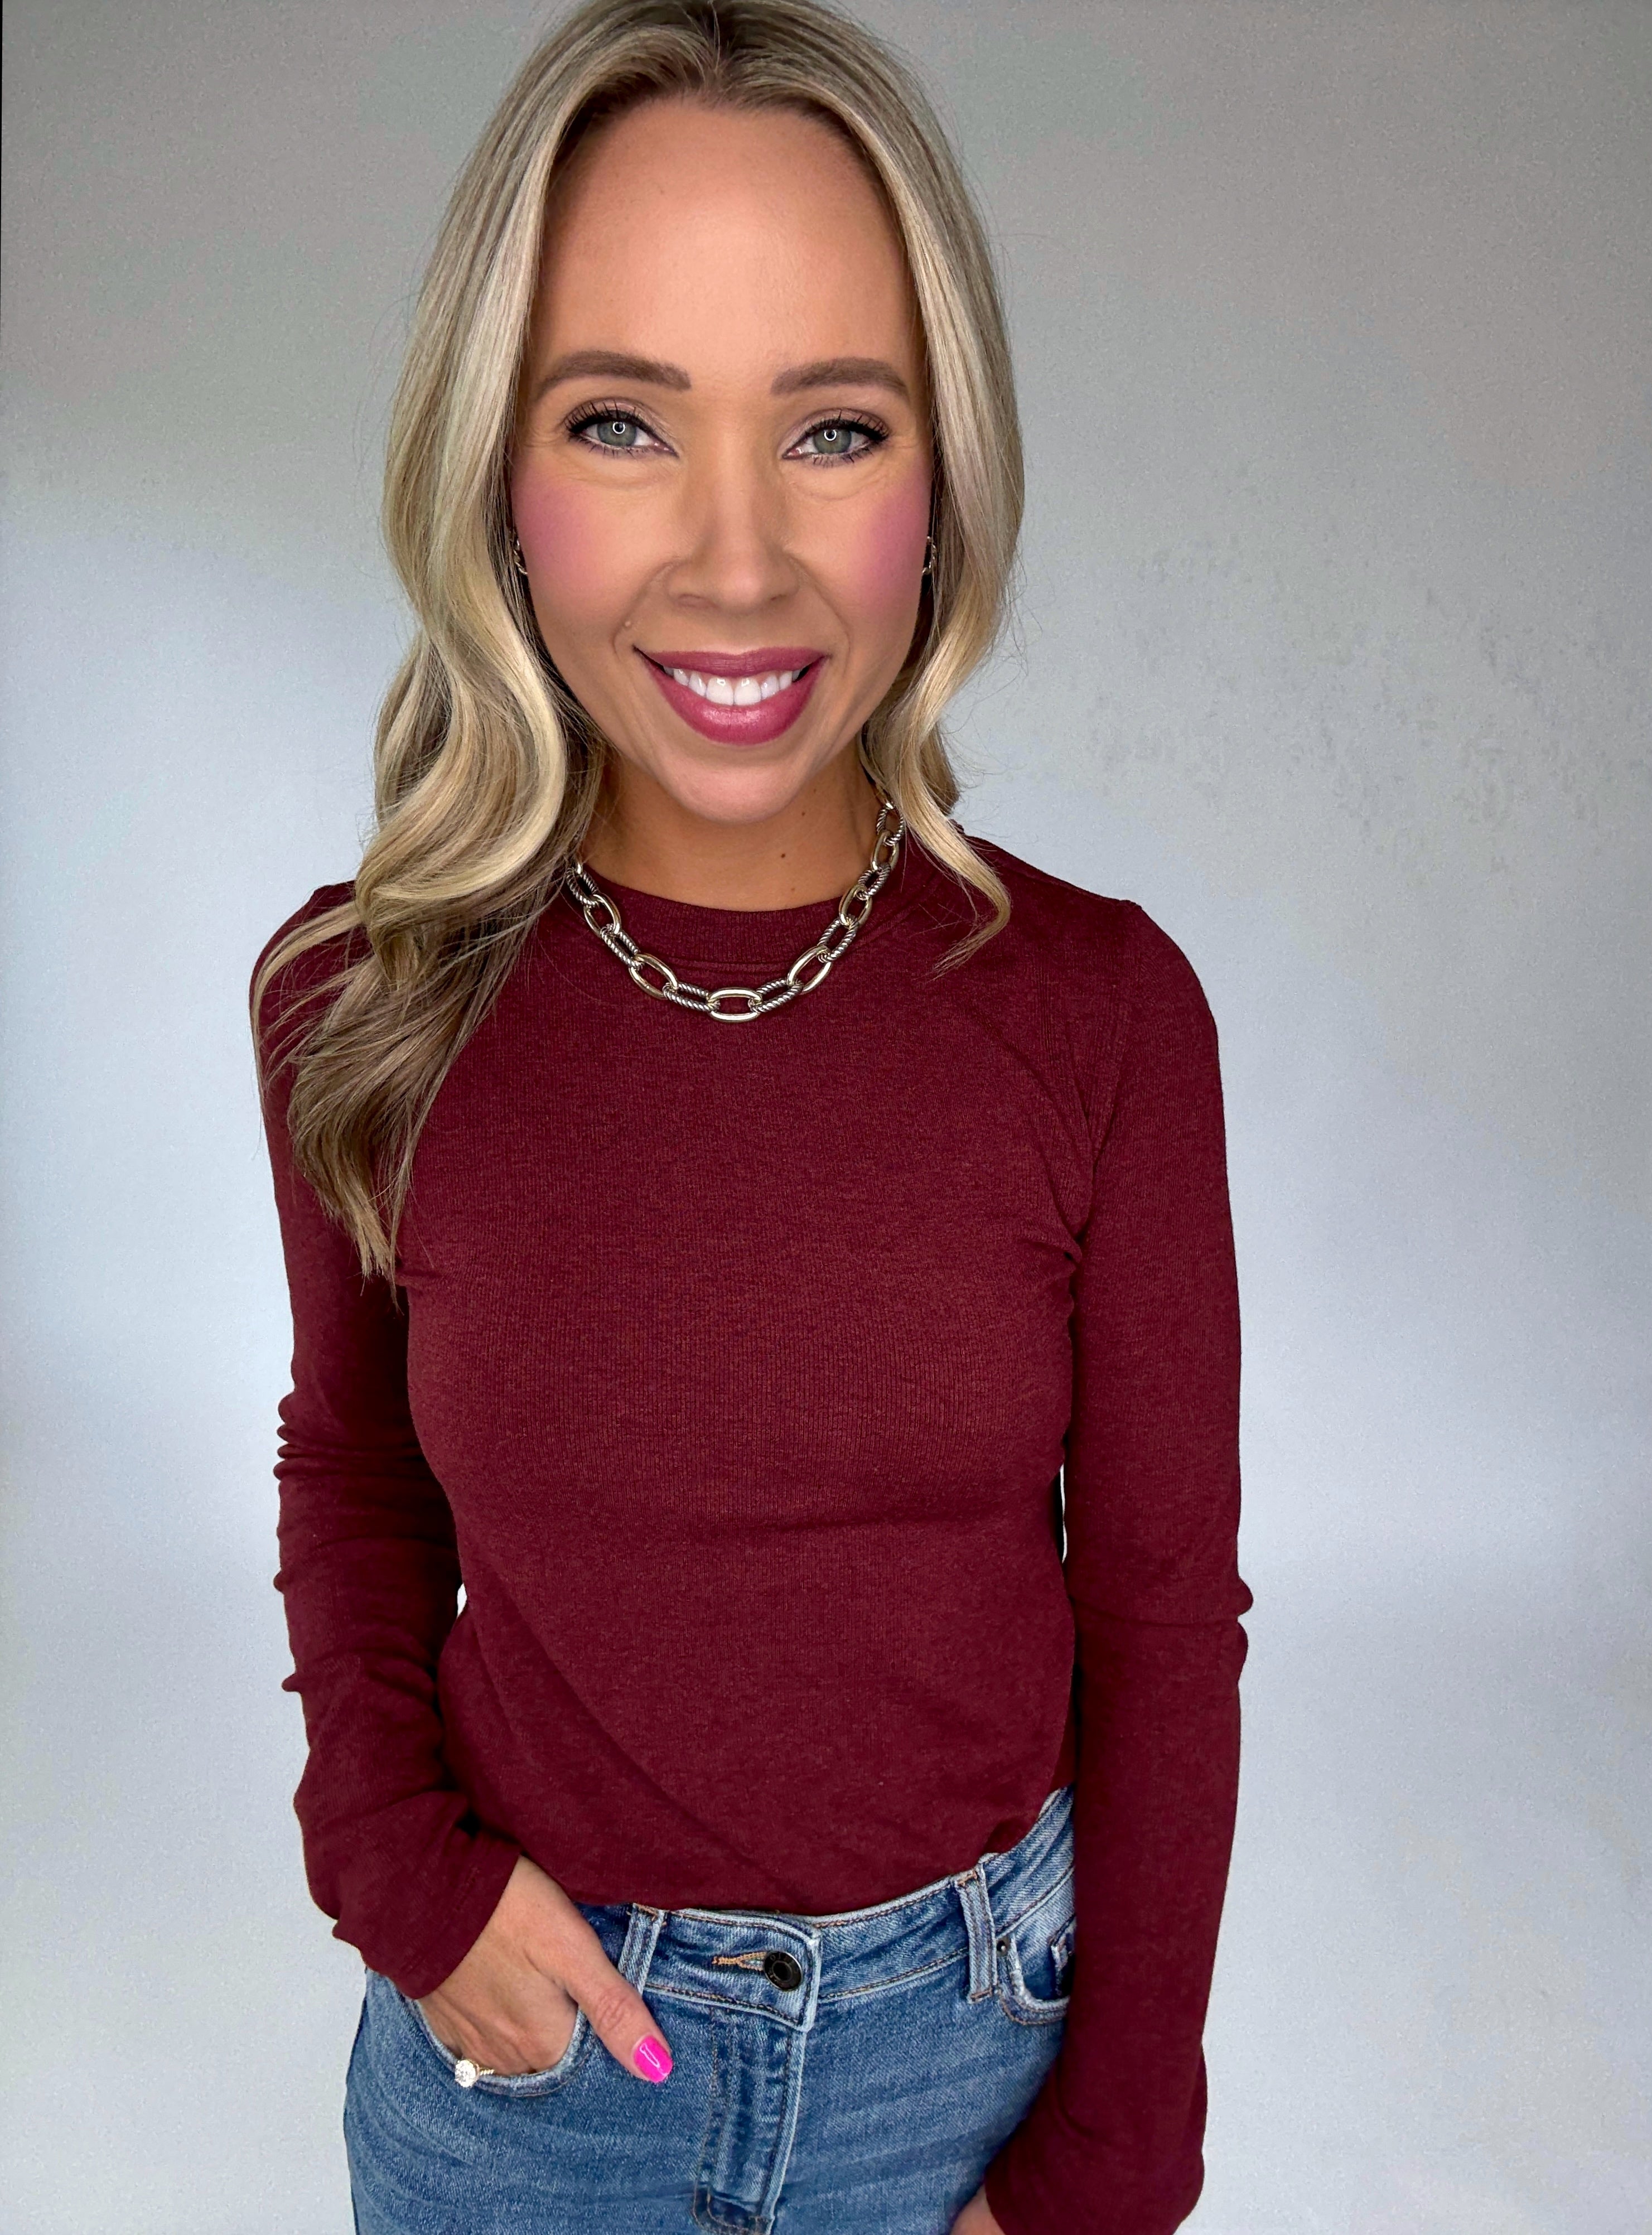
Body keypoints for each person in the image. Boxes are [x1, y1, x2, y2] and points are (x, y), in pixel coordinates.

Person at [251, 3, 1251, 2229]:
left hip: (964, 2061)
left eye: (832, 430)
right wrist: (393, 1868)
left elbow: (1164, 1623)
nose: (733, 560)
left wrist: (1112, 2162)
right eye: (619, 421)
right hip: (528, 2070)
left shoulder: (1100, 1017)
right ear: (494, 474)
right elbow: (355, 1468)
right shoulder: (362, 998)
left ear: (941, 481)